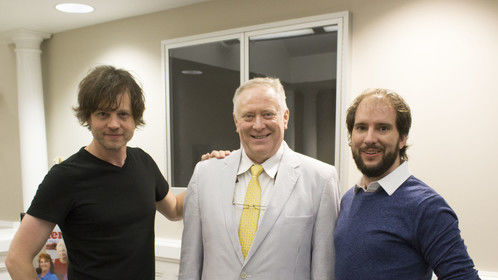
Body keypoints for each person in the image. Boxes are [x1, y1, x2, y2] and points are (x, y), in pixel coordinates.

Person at [5, 65, 185, 280]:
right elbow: (16, 258)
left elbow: (174, 210)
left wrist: (207, 171)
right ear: (88, 118)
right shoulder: (65, 177)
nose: (114, 124)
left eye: (123, 114)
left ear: (134, 119)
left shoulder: (143, 162)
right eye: (103, 114)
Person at [179, 77, 340, 280]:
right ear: (236, 121)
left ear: (285, 117)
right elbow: (190, 264)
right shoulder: (204, 174)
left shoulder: (321, 179)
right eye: (248, 116)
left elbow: (324, 270)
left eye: (267, 114)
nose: (258, 125)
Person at [334, 89, 480, 279]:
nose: (369, 139)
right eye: (361, 127)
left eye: (382, 128)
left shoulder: (427, 207)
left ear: (403, 138)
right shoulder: (348, 199)